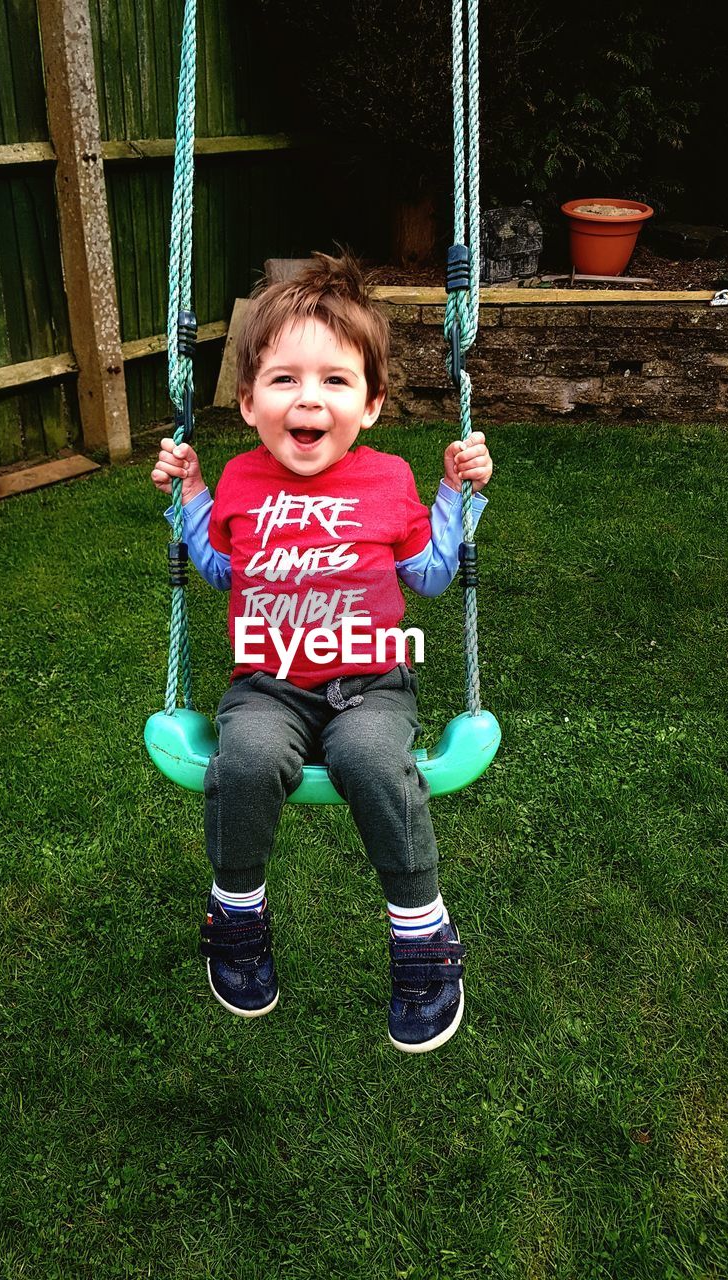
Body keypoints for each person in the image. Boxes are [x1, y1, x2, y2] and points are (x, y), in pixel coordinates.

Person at [151, 252, 493, 1053]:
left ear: (371, 405)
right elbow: (218, 568)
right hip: (266, 683)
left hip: (373, 682)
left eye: (335, 382)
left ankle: (421, 933)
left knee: (375, 761)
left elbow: (433, 576)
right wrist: (191, 495)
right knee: (244, 760)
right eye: (284, 380)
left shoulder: (388, 481)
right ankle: (237, 914)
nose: (309, 398)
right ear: (247, 402)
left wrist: (455, 493)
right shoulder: (238, 480)